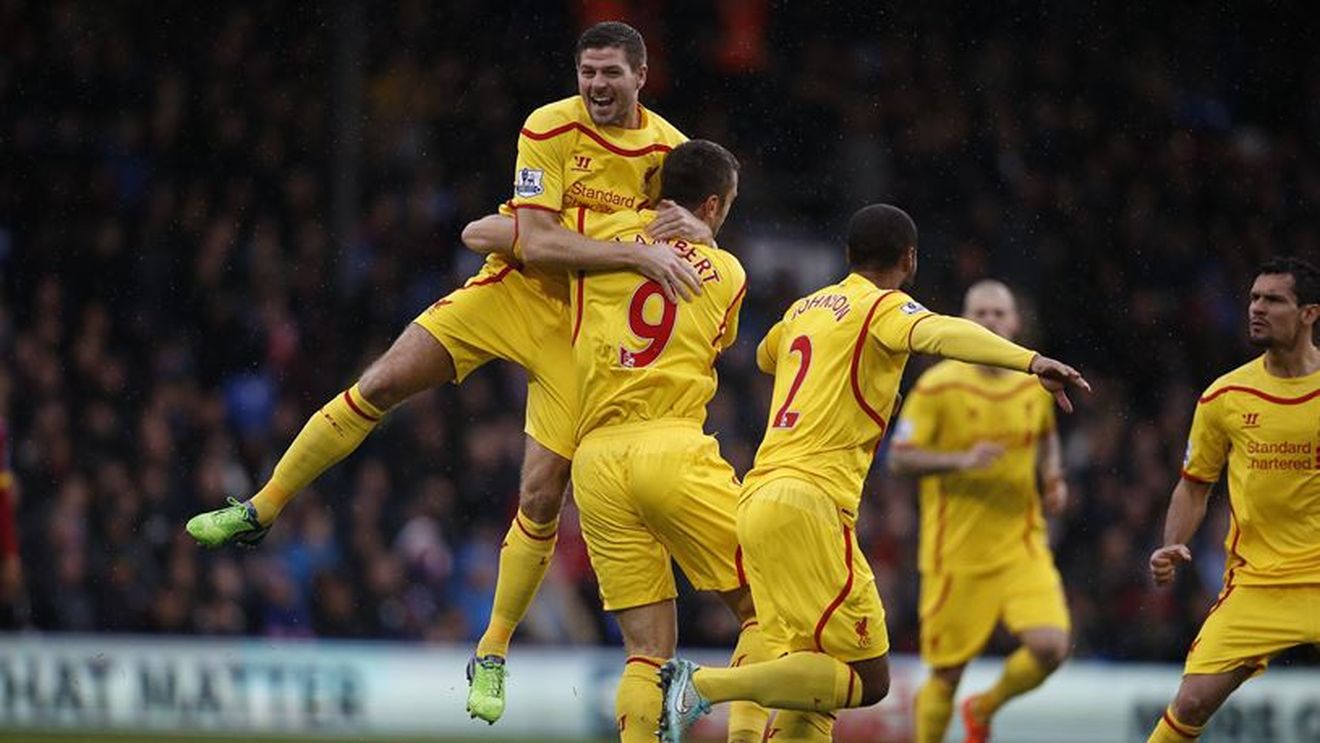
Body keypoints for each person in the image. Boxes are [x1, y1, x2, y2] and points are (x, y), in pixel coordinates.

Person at [184, 20, 710, 724]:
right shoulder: (549, 128)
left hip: (582, 335)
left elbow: (691, 233)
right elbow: (538, 239)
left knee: (540, 494)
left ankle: (490, 650)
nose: (596, 85)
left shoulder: (668, 150)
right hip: (512, 291)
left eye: (611, 72)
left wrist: (698, 233)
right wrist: (632, 253)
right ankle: (261, 508)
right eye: (587, 72)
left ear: (641, 75)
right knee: (380, 382)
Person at [659, 204, 1090, 743]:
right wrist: (1030, 360)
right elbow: (941, 335)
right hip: (811, 500)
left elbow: (770, 357)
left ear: (846, 256)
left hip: (759, 493)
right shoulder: (884, 308)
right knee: (868, 679)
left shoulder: (805, 308)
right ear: (909, 260)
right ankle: (703, 687)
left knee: (812, 673)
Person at [468, 138, 772, 743]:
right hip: (671, 445)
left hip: (597, 464)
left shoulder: (597, 235)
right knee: (767, 607)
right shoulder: (730, 271)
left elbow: (484, 234)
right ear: (712, 206)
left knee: (646, 651)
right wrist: (702, 245)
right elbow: (718, 339)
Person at [1145, 257, 1320, 743]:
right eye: (1253, 298)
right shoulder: (1225, 396)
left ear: (1309, 313)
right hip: (1259, 581)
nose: (1257, 309)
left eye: (1273, 300)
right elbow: (1194, 485)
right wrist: (1171, 543)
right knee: (1193, 700)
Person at [888, 280, 1071, 743]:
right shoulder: (938, 386)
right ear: (964, 322)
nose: (990, 321)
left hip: (1020, 544)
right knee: (947, 673)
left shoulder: (1034, 384)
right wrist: (959, 460)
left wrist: (1053, 478)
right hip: (956, 554)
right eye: (980, 313)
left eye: (999, 313)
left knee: (1051, 647)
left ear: (1015, 323)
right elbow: (899, 457)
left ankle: (985, 707)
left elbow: (1046, 436)